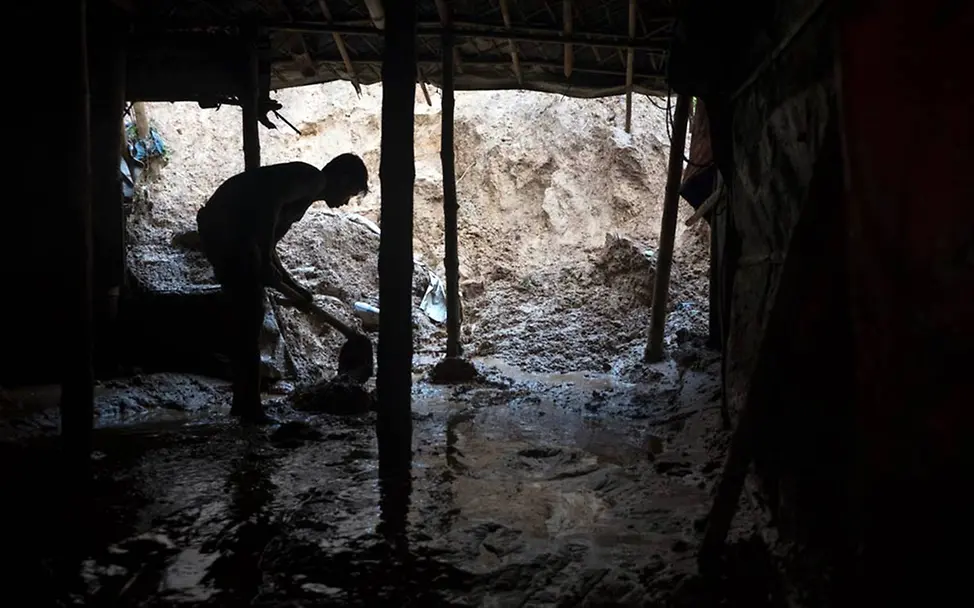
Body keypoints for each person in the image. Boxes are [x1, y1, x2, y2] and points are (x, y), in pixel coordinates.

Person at [196, 153, 369, 424]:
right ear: (343, 178)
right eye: (350, 192)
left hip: (225, 231)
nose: (346, 201)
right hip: (227, 228)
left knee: (248, 317)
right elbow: (269, 203)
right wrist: (262, 259)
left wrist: (294, 286)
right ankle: (249, 409)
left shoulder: (304, 198)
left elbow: (270, 248)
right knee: (250, 315)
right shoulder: (313, 178)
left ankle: (244, 405)